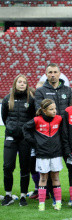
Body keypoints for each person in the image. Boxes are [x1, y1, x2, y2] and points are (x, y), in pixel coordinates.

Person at [23, 99, 63, 211]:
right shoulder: (36, 120)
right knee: (43, 177)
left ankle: (58, 203)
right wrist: (34, 143)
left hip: (56, 153)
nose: (55, 111)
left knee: (55, 177)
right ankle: (41, 204)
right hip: (42, 154)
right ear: (44, 111)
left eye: (55, 108)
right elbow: (25, 129)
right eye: (51, 109)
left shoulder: (59, 119)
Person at [1, 74, 36, 206]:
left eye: (24, 82)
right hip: (11, 137)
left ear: (27, 85)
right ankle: (8, 195)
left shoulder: (31, 100)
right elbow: (5, 117)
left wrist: (25, 129)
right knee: (7, 166)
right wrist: (11, 128)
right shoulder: (6, 99)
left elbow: (33, 118)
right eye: (20, 82)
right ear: (15, 83)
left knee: (25, 167)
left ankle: (22, 196)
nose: (22, 84)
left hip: (25, 139)